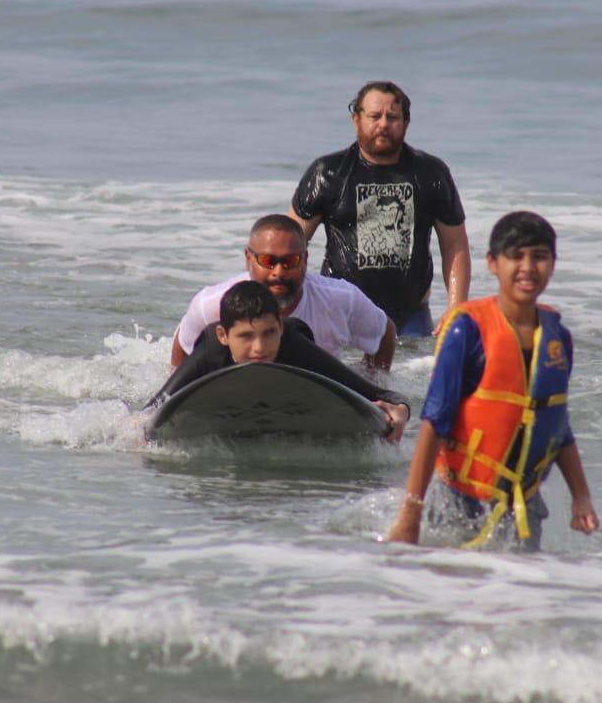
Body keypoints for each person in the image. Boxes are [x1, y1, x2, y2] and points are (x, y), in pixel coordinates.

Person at [386, 211, 598, 550]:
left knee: (518, 596)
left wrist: (581, 496)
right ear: (492, 263)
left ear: (553, 264)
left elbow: (558, 424)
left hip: (523, 506)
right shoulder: (467, 330)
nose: (528, 267)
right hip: (458, 501)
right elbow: (434, 422)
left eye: (539, 257)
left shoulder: (558, 337)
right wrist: (411, 512)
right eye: (515, 256)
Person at [288, 81, 470, 336]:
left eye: (392, 117)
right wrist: (289, 302)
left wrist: (456, 308)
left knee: (411, 374)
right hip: (339, 312)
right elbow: (288, 243)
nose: (383, 124)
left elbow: (455, 246)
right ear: (356, 120)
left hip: (411, 317)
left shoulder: (431, 173)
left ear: (406, 123)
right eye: (374, 116)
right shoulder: (327, 173)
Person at [151, 281, 410, 442]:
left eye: (269, 333)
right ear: (223, 336)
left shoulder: (294, 346)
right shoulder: (210, 350)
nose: (260, 348)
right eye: (245, 336)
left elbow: (386, 396)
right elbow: (154, 410)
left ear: (280, 329)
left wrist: (400, 414)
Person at [171, 214, 396, 370]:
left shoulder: (341, 300)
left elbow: (385, 332)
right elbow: (183, 347)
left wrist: (373, 379)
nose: (278, 272)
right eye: (268, 261)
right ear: (248, 259)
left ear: (305, 260)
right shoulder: (211, 304)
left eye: (290, 261)